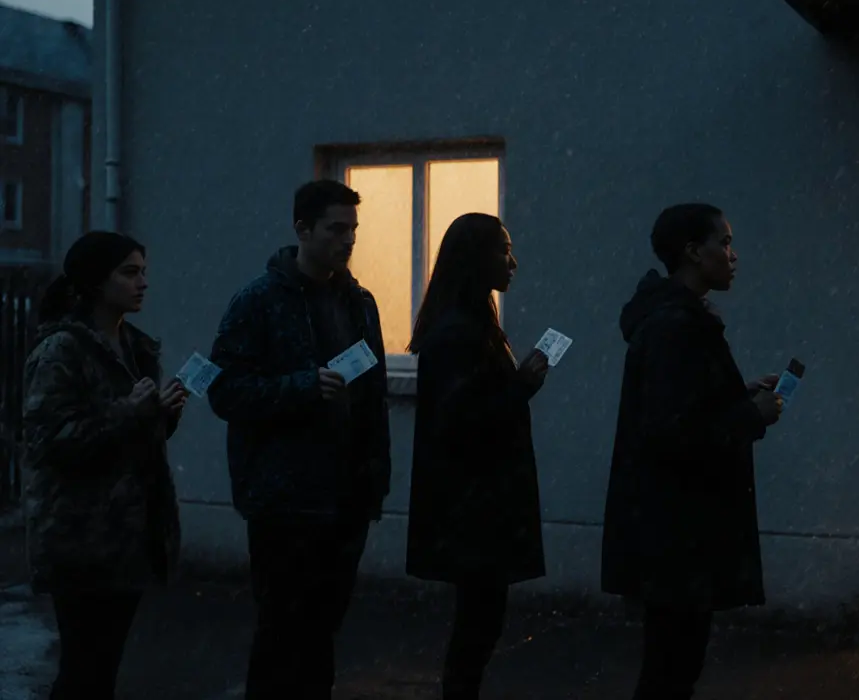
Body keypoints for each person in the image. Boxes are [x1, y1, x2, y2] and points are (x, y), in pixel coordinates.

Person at [207, 179, 391, 699]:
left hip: (346, 498)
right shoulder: (259, 302)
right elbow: (225, 391)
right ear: (302, 229)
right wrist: (302, 387)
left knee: (320, 634)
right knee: (283, 635)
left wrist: (373, 480)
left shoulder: (359, 302)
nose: (348, 240)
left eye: (353, 229)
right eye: (336, 229)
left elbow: (372, 397)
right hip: (285, 502)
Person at [601, 203, 785, 699]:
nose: (733, 254)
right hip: (677, 532)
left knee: (673, 663)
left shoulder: (677, 320)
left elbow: (682, 408)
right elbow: (671, 431)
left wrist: (735, 395)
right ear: (691, 252)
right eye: (723, 243)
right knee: (672, 668)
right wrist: (750, 416)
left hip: (673, 531)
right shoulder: (675, 326)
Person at [22, 231, 186, 699]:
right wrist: (129, 411)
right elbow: (49, 441)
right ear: (96, 282)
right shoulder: (61, 351)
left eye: (143, 272)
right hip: (81, 537)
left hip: (127, 536)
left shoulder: (135, 347)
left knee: (102, 669)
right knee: (84, 672)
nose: (142, 283)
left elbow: (134, 442)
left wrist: (162, 416)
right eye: (129, 272)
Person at [404, 213, 549, 700]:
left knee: (480, 625)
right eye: (502, 250)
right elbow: (462, 421)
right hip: (476, 511)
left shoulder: (470, 325)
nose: (513, 262)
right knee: (478, 628)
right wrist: (521, 387)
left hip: (476, 508)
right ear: (475, 258)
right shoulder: (459, 333)